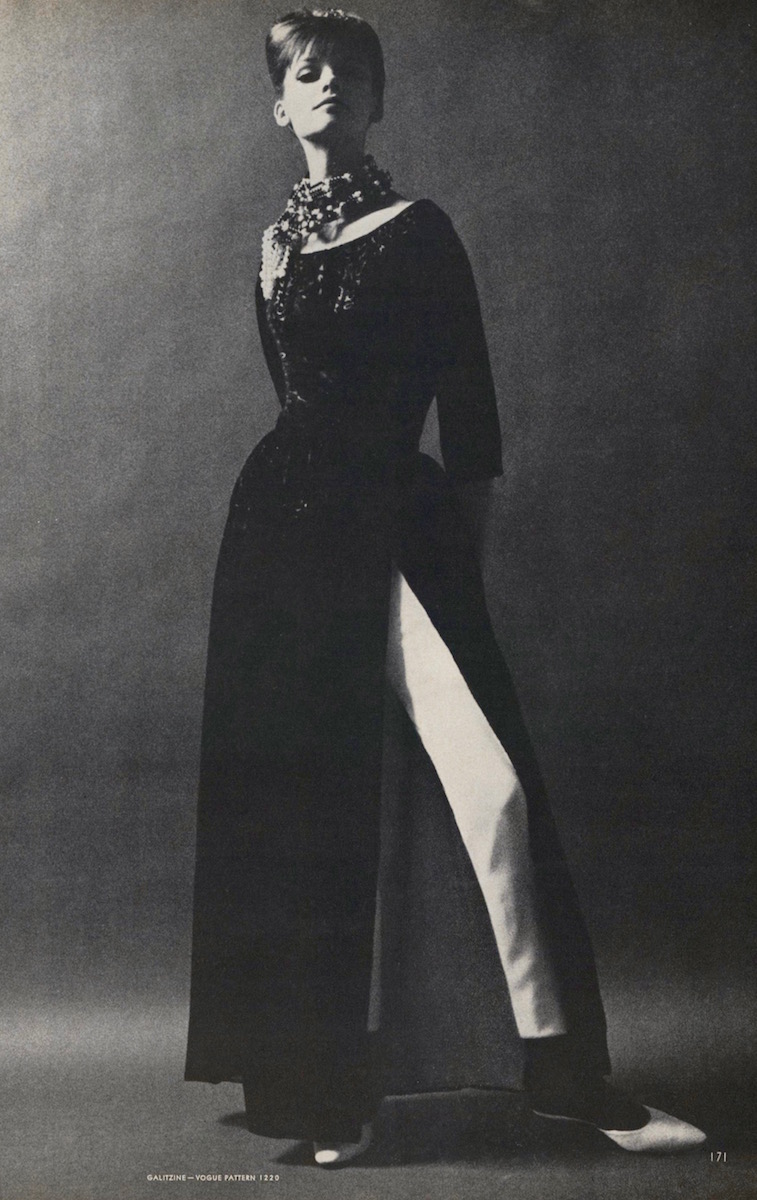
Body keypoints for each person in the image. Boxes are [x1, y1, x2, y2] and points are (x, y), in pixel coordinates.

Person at [184, 7, 706, 1167]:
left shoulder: (420, 232)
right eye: (305, 71)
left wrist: (449, 559)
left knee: (491, 791)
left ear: (377, 100)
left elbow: (470, 424)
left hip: (393, 528)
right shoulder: (270, 251)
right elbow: (289, 405)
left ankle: (568, 1080)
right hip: (276, 546)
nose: (327, 83)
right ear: (278, 105)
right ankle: (323, 1090)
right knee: (306, 808)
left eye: (349, 70)